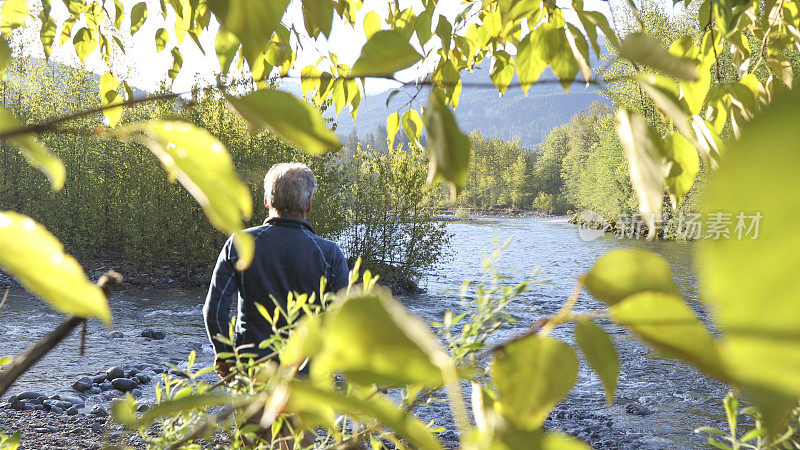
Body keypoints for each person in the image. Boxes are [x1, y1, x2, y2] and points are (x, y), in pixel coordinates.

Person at [203, 162, 350, 378]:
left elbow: (214, 311)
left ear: (266, 201)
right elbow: (343, 318)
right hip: (309, 380)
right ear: (308, 205)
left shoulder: (240, 244)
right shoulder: (329, 254)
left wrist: (226, 358)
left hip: (252, 373)